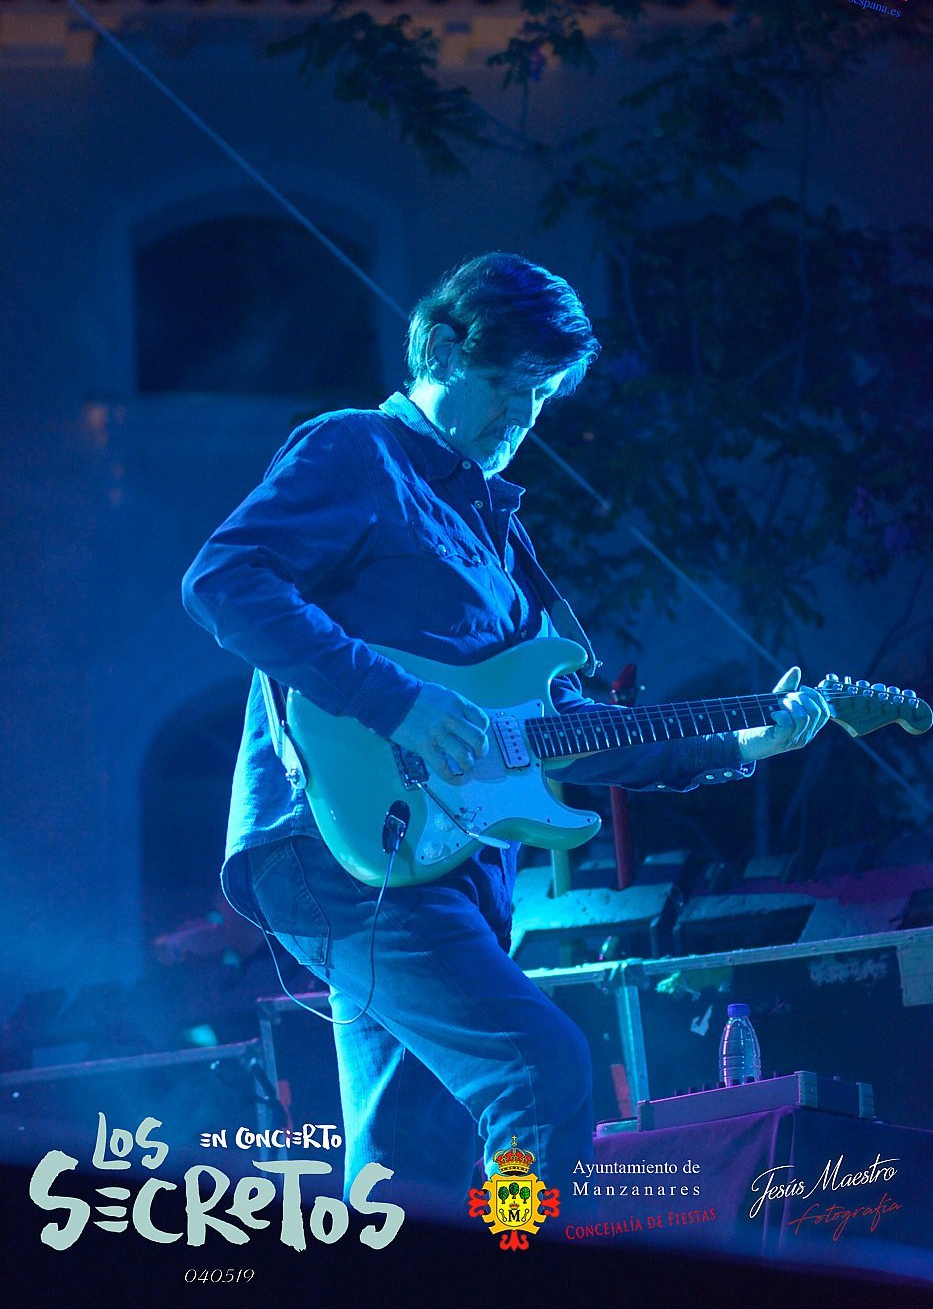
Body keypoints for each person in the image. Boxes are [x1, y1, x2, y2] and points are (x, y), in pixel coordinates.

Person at [181, 252, 828, 1220]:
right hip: (339, 850)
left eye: (540, 399)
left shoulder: (498, 532)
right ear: (442, 350)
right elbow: (224, 580)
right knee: (541, 1067)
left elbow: (562, 735)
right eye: (505, 385)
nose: (519, 419)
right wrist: (396, 700)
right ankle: (524, 1261)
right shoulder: (356, 450)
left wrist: (739, 743)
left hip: (457, 865)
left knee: (410, 1163)